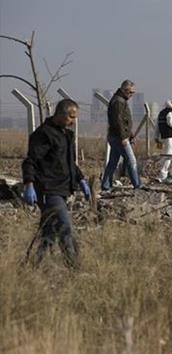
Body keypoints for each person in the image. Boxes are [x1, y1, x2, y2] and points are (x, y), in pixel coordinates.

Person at [22, 99, 91, 269]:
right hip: (47, 189)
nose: (73, 121)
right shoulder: (43, 134)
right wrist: (29, 184)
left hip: (62, 188)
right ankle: (75, 269)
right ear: (60, 114)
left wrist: (81, 179)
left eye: (75, 118)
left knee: (49, 232)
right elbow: (31, 161)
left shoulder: (66, 135)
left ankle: (32, 266)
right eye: (71, 117)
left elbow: (69, 163)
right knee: (65, 227)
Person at [101, 79, 142, 192]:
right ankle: (137, 185)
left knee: (113, 162)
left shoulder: (120, 100)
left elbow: (124, 122)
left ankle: (106, 185)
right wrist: (124, 137)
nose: (132, 95)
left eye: (133, 92)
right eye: (130, 92)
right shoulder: (118, 102)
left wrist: (130, 134)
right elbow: (118, 121)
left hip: (116, 136)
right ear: (124, 90)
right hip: (118, 137)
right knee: (131, 160)